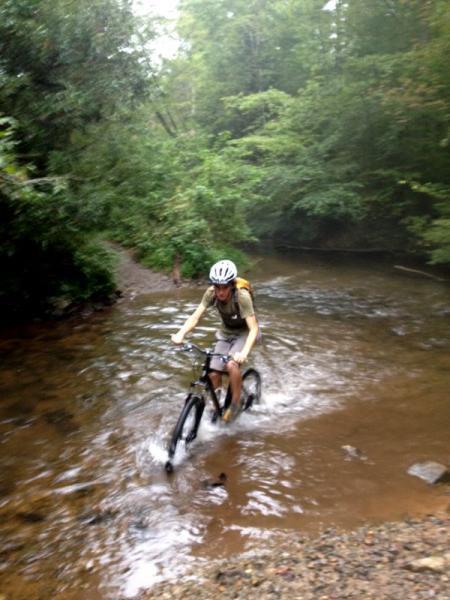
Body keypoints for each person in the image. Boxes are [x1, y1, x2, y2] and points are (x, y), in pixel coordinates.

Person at [171, 259, 259, 423]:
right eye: (217, 286)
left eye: (224, 287)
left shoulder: (242, 297)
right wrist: (180, 334)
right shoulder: (211, 293)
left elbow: (253, 329)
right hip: (226, 332)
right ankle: (217, 400)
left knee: (231, 364)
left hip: (245, 333)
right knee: (212, 371)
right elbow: (196, 316)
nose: (220, 292)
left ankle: (236, 402)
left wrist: (243, 353)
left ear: (231, 285)